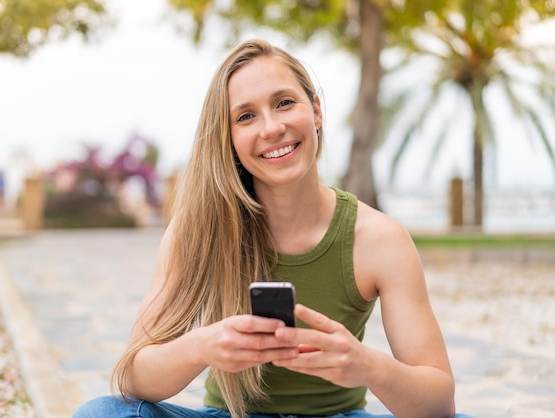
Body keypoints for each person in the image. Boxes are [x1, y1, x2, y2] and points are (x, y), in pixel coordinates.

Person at [73, 39, 473, 418]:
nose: (271, 128)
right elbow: (131, 377)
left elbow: (440, 402)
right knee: (102, 413)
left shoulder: (381, 239)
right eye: (246, 116)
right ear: (229, 139)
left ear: (316, 110)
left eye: (284, 103)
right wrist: (201, 347)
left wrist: (369, 366)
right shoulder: (196, 232)